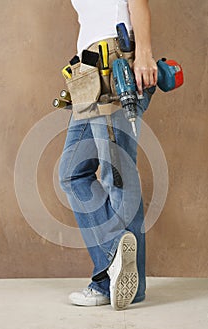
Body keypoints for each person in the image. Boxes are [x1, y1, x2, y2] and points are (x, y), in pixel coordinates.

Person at [59, 0, 157, 310]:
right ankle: (114, 256)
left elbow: (137, 3)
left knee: (118, 176)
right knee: (73, 172)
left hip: (115, 62)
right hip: (87, 72)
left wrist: (143, 53)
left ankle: (114, 284)